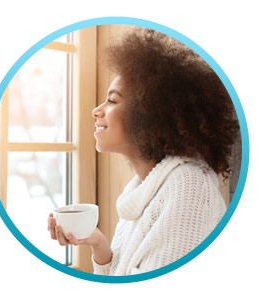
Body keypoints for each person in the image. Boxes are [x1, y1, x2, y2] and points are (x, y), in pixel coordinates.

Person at [48, 28, 239, 275]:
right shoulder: (141, 191)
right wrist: (97, 243)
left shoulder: (189, 185)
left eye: (113, 100)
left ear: (148, 114)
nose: (97, 110)